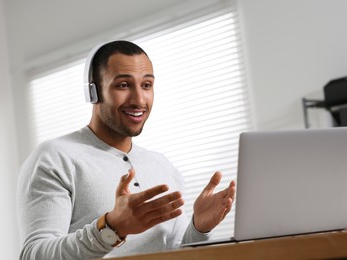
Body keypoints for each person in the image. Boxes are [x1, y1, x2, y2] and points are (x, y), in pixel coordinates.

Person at [17, 40, 236, 259]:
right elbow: (34, 255)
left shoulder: (162, 165)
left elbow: (175, 252)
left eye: (146, 85)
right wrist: (112, 228)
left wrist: (199, 229)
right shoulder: (55, 157)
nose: (139, 100)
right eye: (123, 85)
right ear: (93, 92)